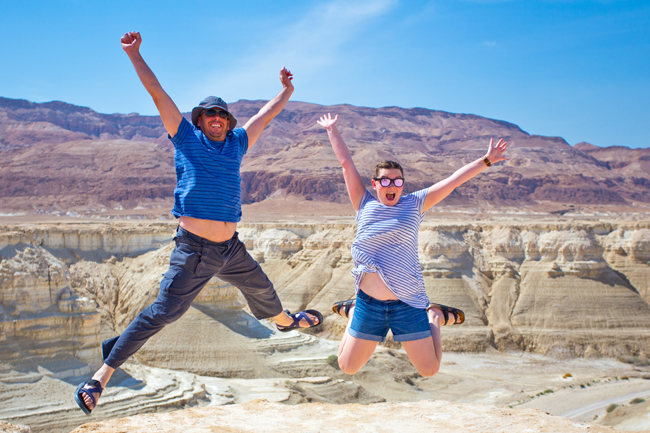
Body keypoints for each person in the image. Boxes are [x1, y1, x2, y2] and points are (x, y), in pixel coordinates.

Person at [74, 31, 322, 415]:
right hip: (194, 251)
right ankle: (101, 376)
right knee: (163, 313)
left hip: (230, 249)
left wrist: (286, 91)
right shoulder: (186, 137)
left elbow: (265, 116)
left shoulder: (237, 143)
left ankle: (288, 321)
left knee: (264, 292)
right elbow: (158, 93)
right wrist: (134, 55)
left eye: (222, 114)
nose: (217, 119)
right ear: (200, 119)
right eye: (211, 114)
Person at [316, 113, 507, 377]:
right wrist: (332, 130)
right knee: (346, 366)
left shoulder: (414, 204)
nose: (391, 185)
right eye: (385, 180)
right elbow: (347, 165)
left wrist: (486, 161)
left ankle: (436, 317)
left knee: (429, 369)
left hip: (408, 303)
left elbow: (452, 181)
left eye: (397, 181)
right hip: (368, 304)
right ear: (375, 184)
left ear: (403, 184)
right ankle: (351, 313)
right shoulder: (365, 203)